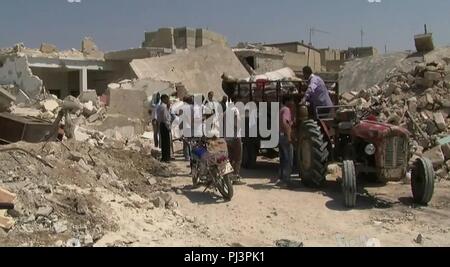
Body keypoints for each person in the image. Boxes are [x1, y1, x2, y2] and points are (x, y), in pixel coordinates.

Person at [272, 95, 295, 184]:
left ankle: (281, 177)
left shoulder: (281, 109)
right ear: (287, 101)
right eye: (291, 101)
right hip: (285, 136)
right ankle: (287, 180)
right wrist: (289, 136)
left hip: (280, 136)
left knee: (282, 158)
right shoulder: (286, 110)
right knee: (289, 158)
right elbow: (284, 122)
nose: (293, 103)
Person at [224, 97, 245, 185]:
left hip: (227, 137)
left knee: (230, 158)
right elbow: (237, 124)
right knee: (238, 158)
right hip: (235, 137)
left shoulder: (225, 112)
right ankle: (235, 176)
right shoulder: (235, 110)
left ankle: (229, 176)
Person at [157, 94, 172, 162]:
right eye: (167, 99)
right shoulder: (164, 107)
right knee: (167, 142)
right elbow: (166, 118)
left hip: (161, 124)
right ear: (163, 99)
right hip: (165, 125)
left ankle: (164, 157)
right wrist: (168, 127)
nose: (168, 100)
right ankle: (167, 158)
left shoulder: (160, 107)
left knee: (163, 142)